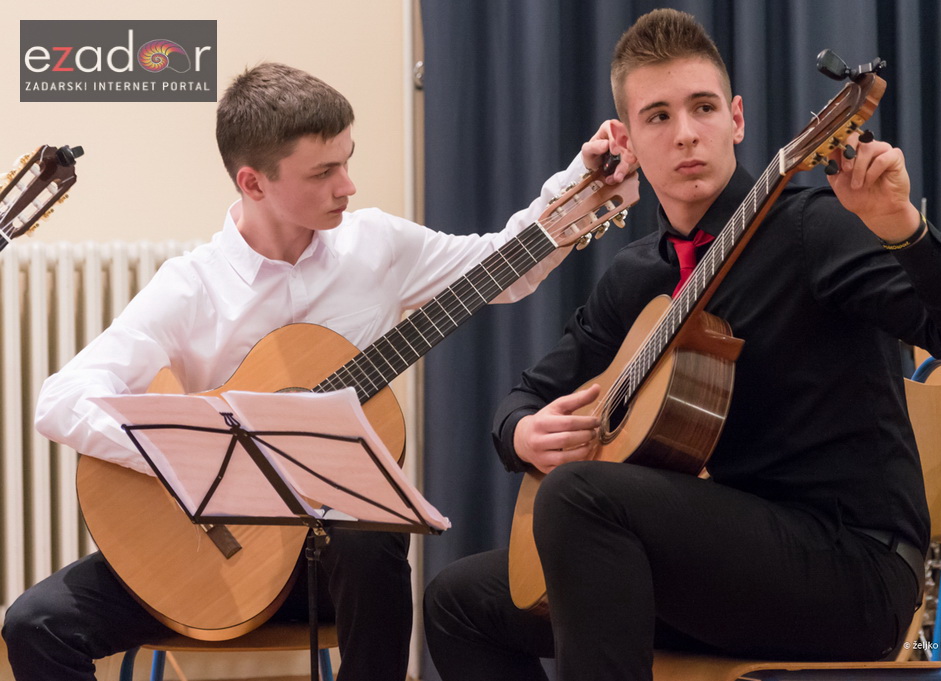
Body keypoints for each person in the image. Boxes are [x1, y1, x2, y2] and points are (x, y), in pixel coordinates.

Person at [423, 9, 941, 681]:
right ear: (627, 143)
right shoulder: (637, 276)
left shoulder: (811, 228)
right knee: (457, 599)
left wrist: (903, 228)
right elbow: (527, 393)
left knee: (582, 497)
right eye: (657, 117)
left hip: (852, 567)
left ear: (735, 119)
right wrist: (521, 431)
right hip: (724, 570)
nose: (686, 134)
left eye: (702, 107)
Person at [1, 62, 584, 681]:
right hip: (216, 557)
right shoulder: (193, 288)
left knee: (371, 536)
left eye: (348, 161)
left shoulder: (376, 247)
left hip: (329, 574)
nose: (348, 186)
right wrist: (188, 454)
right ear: (253, 183)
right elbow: (61, 400)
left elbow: (505, 266)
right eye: (324, 172)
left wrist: (583, 184)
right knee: (33, 624)